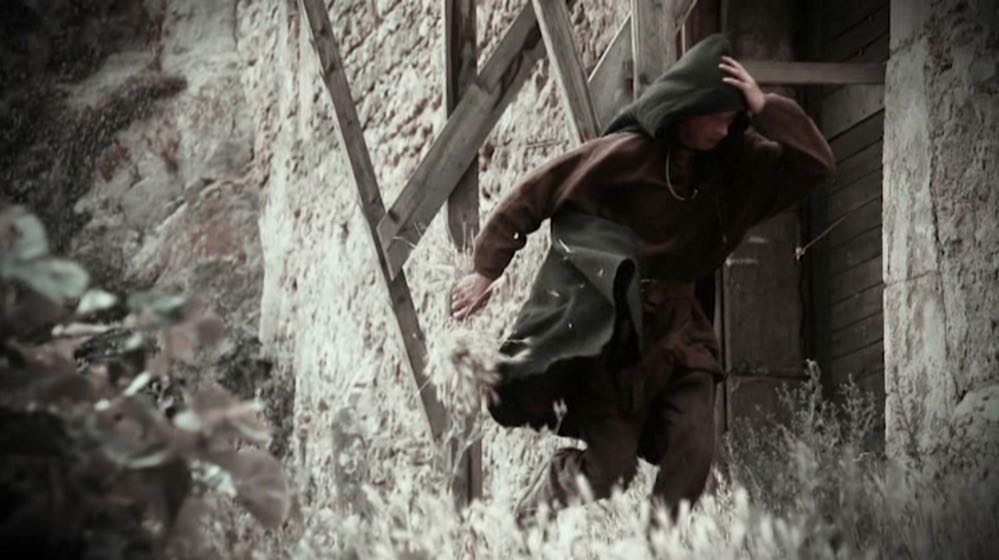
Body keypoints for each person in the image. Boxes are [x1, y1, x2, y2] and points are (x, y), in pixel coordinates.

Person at [450, 33, 836, 522]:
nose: (724, 129)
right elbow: (539, 190)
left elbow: (815, 164)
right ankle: (537, 505)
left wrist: (766, 108)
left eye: (733, 119)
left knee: (694, 453)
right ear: (688, 108)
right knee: (609, 471)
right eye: (716, 116)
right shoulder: (626, 155)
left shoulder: (738, 170)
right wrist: (486, 268)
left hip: (684, 336)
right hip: (617, 339)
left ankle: (657, 547)